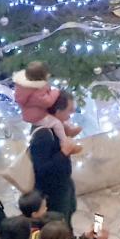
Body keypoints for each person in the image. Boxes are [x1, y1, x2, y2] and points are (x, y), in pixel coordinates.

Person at [29, 91, 80, 224]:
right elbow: (42, 170)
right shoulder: (43, 135)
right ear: (57, 111)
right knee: (60, 225)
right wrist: (64, 152)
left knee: (69, 215)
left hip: (63, 183)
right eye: (69, 110)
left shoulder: (55, 126)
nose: (70, 115)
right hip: (53, 193)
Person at [13, 62, 83, 155]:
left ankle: (68, 130)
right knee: (56, 123)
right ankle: (64, 143)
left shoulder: (31, 87)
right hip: (37, 117)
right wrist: (56, 92)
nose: (49, 75)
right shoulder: (34, 92)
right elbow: (48, 101)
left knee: (61, 119)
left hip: (39, 111)